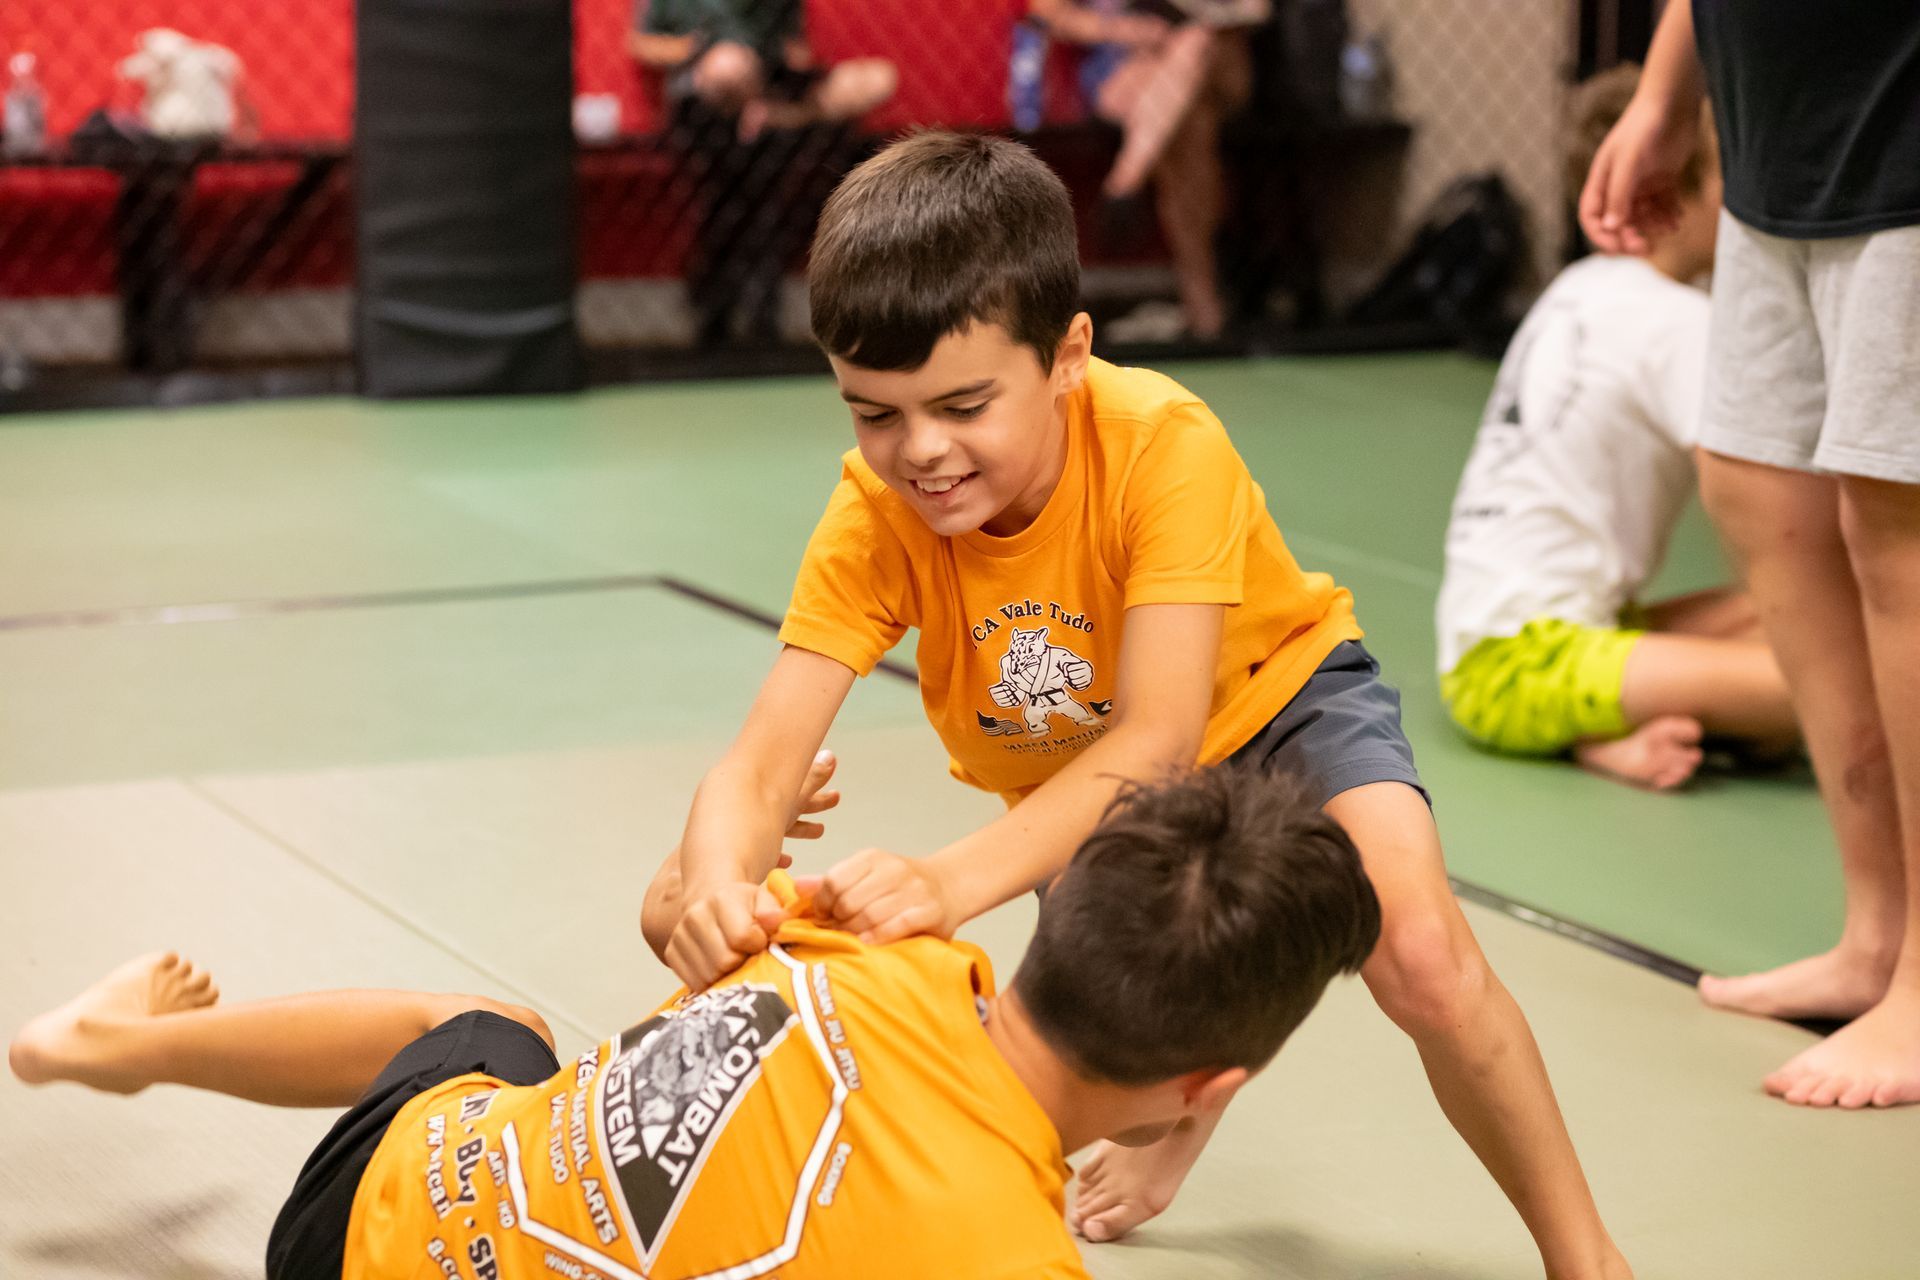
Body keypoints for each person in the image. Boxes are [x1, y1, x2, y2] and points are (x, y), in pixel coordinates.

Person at [648, 131, 1633, 1276]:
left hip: (1276, 701)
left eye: (964, 403)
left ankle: (1588, 1256)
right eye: (875, 413)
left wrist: (948, 881)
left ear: (1068, 355)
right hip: (1088, 782)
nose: (920, 452)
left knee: (1418, 953)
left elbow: (1163, 737)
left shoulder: (1164, 444)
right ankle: (1185, 1112)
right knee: (1120, 1099)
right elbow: (760, 762)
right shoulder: (876, 513)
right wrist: (715, 891)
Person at [9, 767, 1381, 1279]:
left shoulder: (868, 935)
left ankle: (117, 1048)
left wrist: (727, 869)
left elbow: (681, 908)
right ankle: (117, 1050)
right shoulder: (1009, 1260)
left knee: (491, 1020)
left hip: (376, 1218)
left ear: (1049, 920)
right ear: (1203, 1086)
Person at [1582, 2, 1920, 1109]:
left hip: (1902, 136)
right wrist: (1665, 91)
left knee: (1899, 531)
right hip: (1777, 143)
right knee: (1757, 484)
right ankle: (1876, 932)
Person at [1437, 65, 1796, 791]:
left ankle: (1618, 720)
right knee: (1841, 680)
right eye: (1731, 178)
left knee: (1816, 625)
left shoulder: (1579, 287)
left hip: (1517, 635)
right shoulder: (1678, 322)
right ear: (1668, 193)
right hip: (1523, 665)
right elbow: (1764, 511)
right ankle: (1594, 727)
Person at [629, 0, 897, 348]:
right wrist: (693, 49)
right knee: (729, 67)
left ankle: (776, 114)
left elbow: (794, 51)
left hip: (773, 89)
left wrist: (791, 76)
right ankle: (761, 113)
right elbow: (642, 43)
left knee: (876, 77)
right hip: (706, 97)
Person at [1024, 0, 1265, 342]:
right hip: (1131, 72)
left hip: (1219, 61)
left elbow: (1252, 11)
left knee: (1194, 44)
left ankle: (1125, 182)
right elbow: (1047, 13)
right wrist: (1125, 30)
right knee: (1188, 123)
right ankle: (1205, 310)